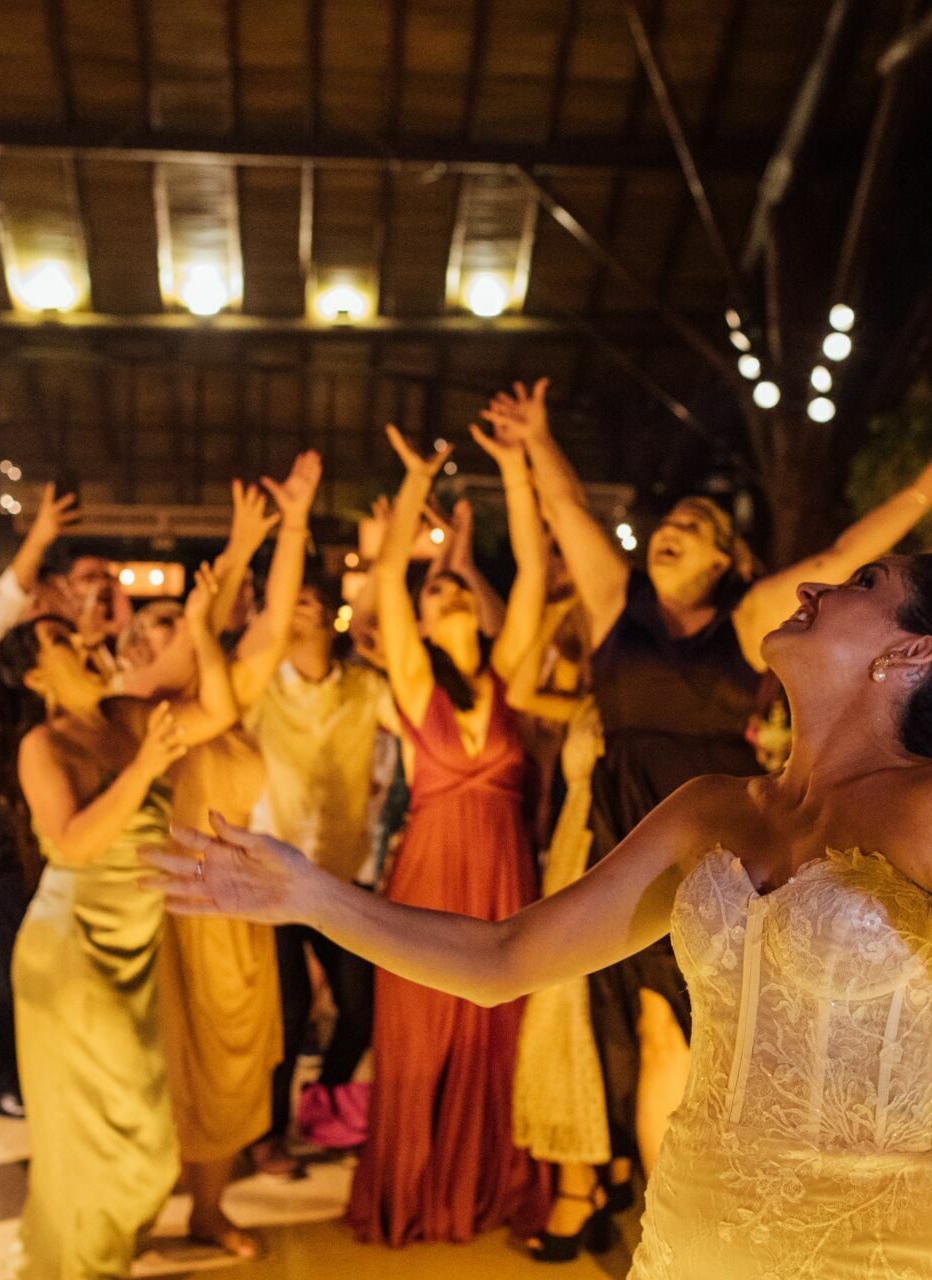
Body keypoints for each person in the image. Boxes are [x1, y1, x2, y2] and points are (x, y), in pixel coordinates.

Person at [152, 554, 932, 1279]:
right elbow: (506, 957)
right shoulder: (707, 810)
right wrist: (312, 895)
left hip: (866, 1254)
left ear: (908, 651)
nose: (813, 584)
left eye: (859, 583)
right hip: (687, 1234)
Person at [479, 378, 932, 1208]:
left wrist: (927, 487)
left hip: (729, 833)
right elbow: (567, 511)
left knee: (724, 1028)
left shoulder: (752, 617)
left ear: (725, 558)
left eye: (693, 526)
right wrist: (536, 437)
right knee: (649, 1025)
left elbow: (834, 562)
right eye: (665, 525)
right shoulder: (615, 606)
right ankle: (663, 1212)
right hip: (627, 825)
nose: (670, 534)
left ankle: (749, 1199)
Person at [317, 421, 550, 1246]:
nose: (445, 593)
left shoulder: (509, 676)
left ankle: (484, 1183)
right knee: (420, 1037)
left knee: (498, 1032)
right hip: (428, 870)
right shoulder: (418, 688)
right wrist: (415, 486)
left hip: (502, 875)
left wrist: (516, 470)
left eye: (454, 588)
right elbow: (385, 578)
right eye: (433, 592)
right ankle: (415, 1189)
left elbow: (527, 580)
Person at [0, 565, 237, 1280]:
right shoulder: (45, 746)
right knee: (103, 1140)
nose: (82, 641)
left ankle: (94, 1255)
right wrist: (141, 772)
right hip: (70, 953)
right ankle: (83, 1266)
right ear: (36, 681)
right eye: (60, 640)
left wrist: (204, 625)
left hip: (133, 947)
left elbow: (217, 710)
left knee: (145, 1138)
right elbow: (69, 841)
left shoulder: (129, 719)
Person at [120, 454, 320, 1257]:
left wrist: (291, 524)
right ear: (139, 647)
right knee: (170, 1061)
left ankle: (209, 1207)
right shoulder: (139, 712)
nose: (186, 628)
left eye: (186, 619)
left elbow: (270, 623)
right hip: (171, 903)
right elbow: (210, 640)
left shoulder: (228, 699)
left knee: (237, 1063)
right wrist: (224, 574)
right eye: (164, 624)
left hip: (238, 896)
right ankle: (132, 1211)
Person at [244, 570, 388, 1164]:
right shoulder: (257, 689)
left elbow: (418, 719)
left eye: (307, 599)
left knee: (360, 1007)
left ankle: (324, 1107)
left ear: (333, 617)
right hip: (271, 872)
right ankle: (267, 1134)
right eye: (289, 601)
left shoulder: (364, 687)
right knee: (287, 1010)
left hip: (339, 870)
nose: (296, 610)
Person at [0, 482, 81, 1117]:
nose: (53, 604)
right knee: (12, 948)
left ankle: (31, 1069)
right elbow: (8, 602)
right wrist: (39, 537)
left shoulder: (69, 672)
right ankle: (1, 1079)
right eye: (45, 597)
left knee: (44, 948)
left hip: (53, 825)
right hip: (0, 820)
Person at [506, 599, 616, 1261]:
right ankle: (586, 1182)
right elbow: (520, 687)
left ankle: (595, 1183)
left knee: (594, 1016)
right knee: (565, 1009)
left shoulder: (652, 700)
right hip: (576, 855)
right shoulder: (585, 702)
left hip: (616, 851)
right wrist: (552, 609)